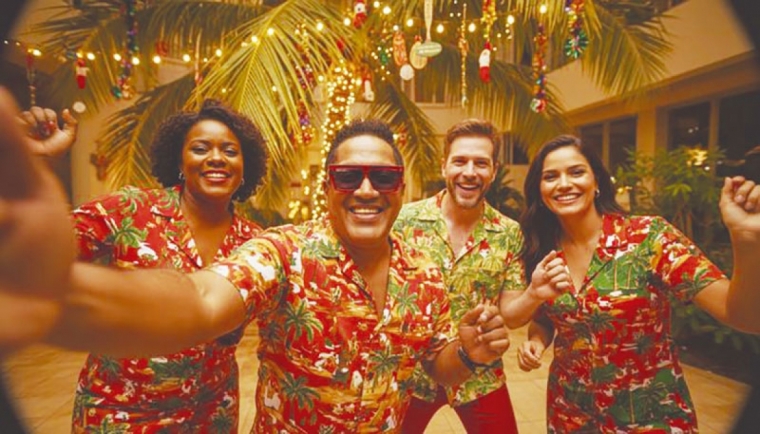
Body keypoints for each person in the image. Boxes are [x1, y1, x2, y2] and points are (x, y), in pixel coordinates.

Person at [0, 117, 510, 432]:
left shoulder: (425, 272)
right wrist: (47, 289)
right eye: (347, 176)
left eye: (384, 176)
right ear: (327, 187)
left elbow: (437, 367)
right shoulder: (282, 251)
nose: (366, 190)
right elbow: (201, 300)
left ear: (401, 187)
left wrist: (468, 352)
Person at [18, 99, 269, 432]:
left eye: (230, 151)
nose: (216, 158)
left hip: (211, 415)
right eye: (200, 148)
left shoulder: (255, 243)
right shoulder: (129, 210)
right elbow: (30, 255)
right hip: (120, 412)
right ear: (179, 161)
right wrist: (34, 164)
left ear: (245, 165)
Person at [499, 134, 760, 432]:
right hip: (571, 414)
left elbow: (744, 316)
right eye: (550, 177)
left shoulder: (648, 238)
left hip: (648, 416)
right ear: (540, 191)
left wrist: (746, 240)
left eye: (576, 172)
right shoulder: (541, 250)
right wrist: (537, 341)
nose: (564, 184)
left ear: (597, 181)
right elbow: (544, 318)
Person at [394, 119, 521, 433]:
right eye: (460, 161)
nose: (469, 172)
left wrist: (538, 293)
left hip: (480, 373)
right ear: (444, 166)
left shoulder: (509, 233)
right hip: (411, 374)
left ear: (494, 171)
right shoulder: (403, 221)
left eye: (481, 163)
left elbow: (512, 310)